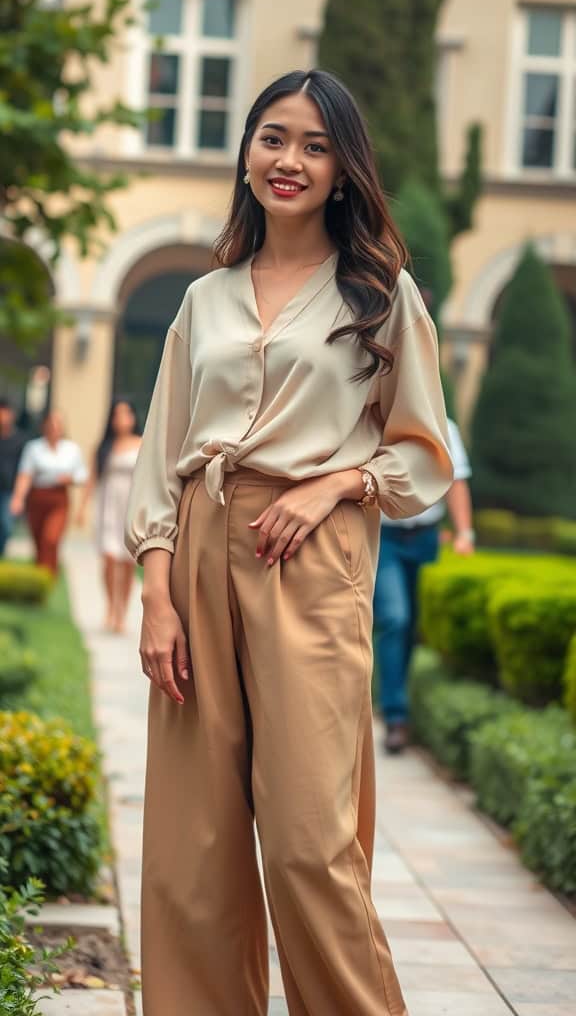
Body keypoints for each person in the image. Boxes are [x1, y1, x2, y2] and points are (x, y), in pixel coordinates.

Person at [124, 69, 453, 1016]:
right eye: (273, 137)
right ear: (247, 151)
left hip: (311, 560)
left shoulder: (382, 295)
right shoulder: (204, 298)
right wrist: (156, 593)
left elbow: (422, 453)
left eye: (314, 145)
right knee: (196, 844)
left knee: (312, 841)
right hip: (195, 550)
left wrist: (336, 484)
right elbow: (164, 451)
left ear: (343, 169)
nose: (290, 160)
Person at [374, 417, 474, 755]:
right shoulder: (378, 417)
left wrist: (464, 533)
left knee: (411, 625)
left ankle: (394, 696)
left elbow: (456, 479)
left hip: (425, 536)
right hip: (382, 535)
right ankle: (395, 715)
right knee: (394, 618)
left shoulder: (443, 425)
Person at [77, 399, 142, 634]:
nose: (121, 419)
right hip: (107, 508)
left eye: (126, 414)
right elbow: (92, 479)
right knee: (108, 558)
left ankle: (121, 611)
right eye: (117, 414)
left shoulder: (142, 444)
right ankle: (110, 606)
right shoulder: (104, 447)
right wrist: (82, 508)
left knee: (126, 562)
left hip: (131, 507)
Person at [10, 410, 87, 575]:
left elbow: (82, 475)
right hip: (37, 498)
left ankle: (49, 574)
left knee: (50, 538)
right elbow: (25, 475)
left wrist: (70, 479)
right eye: (51, 424)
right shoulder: (34, 448)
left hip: (59, 498)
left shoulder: (71, 449)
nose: (54, 428)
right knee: (39, 540)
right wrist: (18, 498)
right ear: (44, 426)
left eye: (58, 424)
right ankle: (41, 573)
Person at [0, 398, 27, 557]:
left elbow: (24, 470)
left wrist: (19, 495)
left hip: (9, 490)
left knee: (6, 525)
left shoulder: (20, 440)